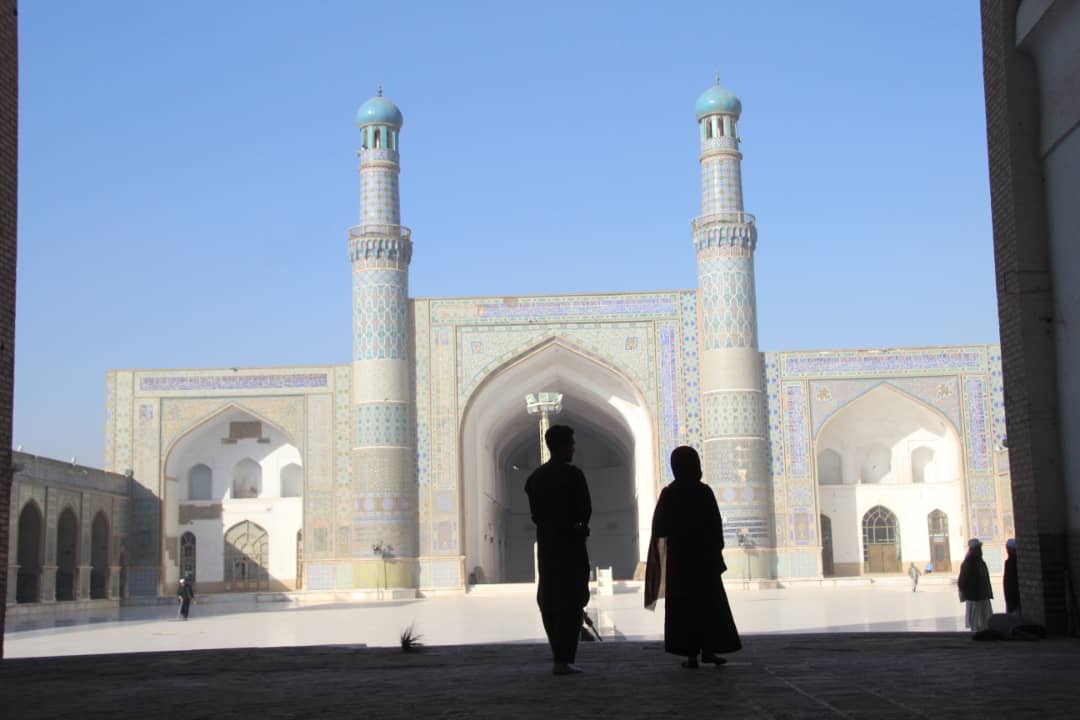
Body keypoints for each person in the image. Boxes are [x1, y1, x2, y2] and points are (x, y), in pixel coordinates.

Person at [644, 446, 741, 669]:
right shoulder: (703, 491)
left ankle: (692, 655)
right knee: (708, 607)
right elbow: (716, 526)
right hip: (703, 561)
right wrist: (715, 549)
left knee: (685, 609)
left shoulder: (670, 493)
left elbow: (659, 527)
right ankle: (708, 650)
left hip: (681, 562)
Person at [525, 424, 592, 676]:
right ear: (562, 447)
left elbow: (535, 514)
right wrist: (577, 526)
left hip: (548, 547)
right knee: (572, 599)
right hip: (571, 547)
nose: (573, 449)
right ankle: (565, 659)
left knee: (550, 599)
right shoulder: (574, 476)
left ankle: (559, 658)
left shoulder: (536, 478)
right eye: (571, 444)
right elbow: (584, 510)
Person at [958, 538, 993, 632]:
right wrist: (964, 594)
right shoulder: (968, 564)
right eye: (978, 549)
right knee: (976, 623)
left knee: (984, 622)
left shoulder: (981, 562)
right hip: (974, 598)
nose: (980, 551)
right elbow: (961, 581)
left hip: (983, 596)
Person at [1004, 538, 1021, 615]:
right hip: (1014, 599)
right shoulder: (1012, 562)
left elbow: (1010, 583)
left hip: (1014, 599)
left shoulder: (1011, 563)